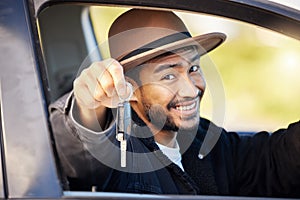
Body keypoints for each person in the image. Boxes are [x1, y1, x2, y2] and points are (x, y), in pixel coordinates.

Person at [49, 9, 300, 197]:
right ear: (130, 88)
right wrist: (86, 107)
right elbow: (80, 155)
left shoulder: (205, 140)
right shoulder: (120, 152)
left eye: (193, 68)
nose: (191, 89)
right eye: (168, 75)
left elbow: (274, 161)